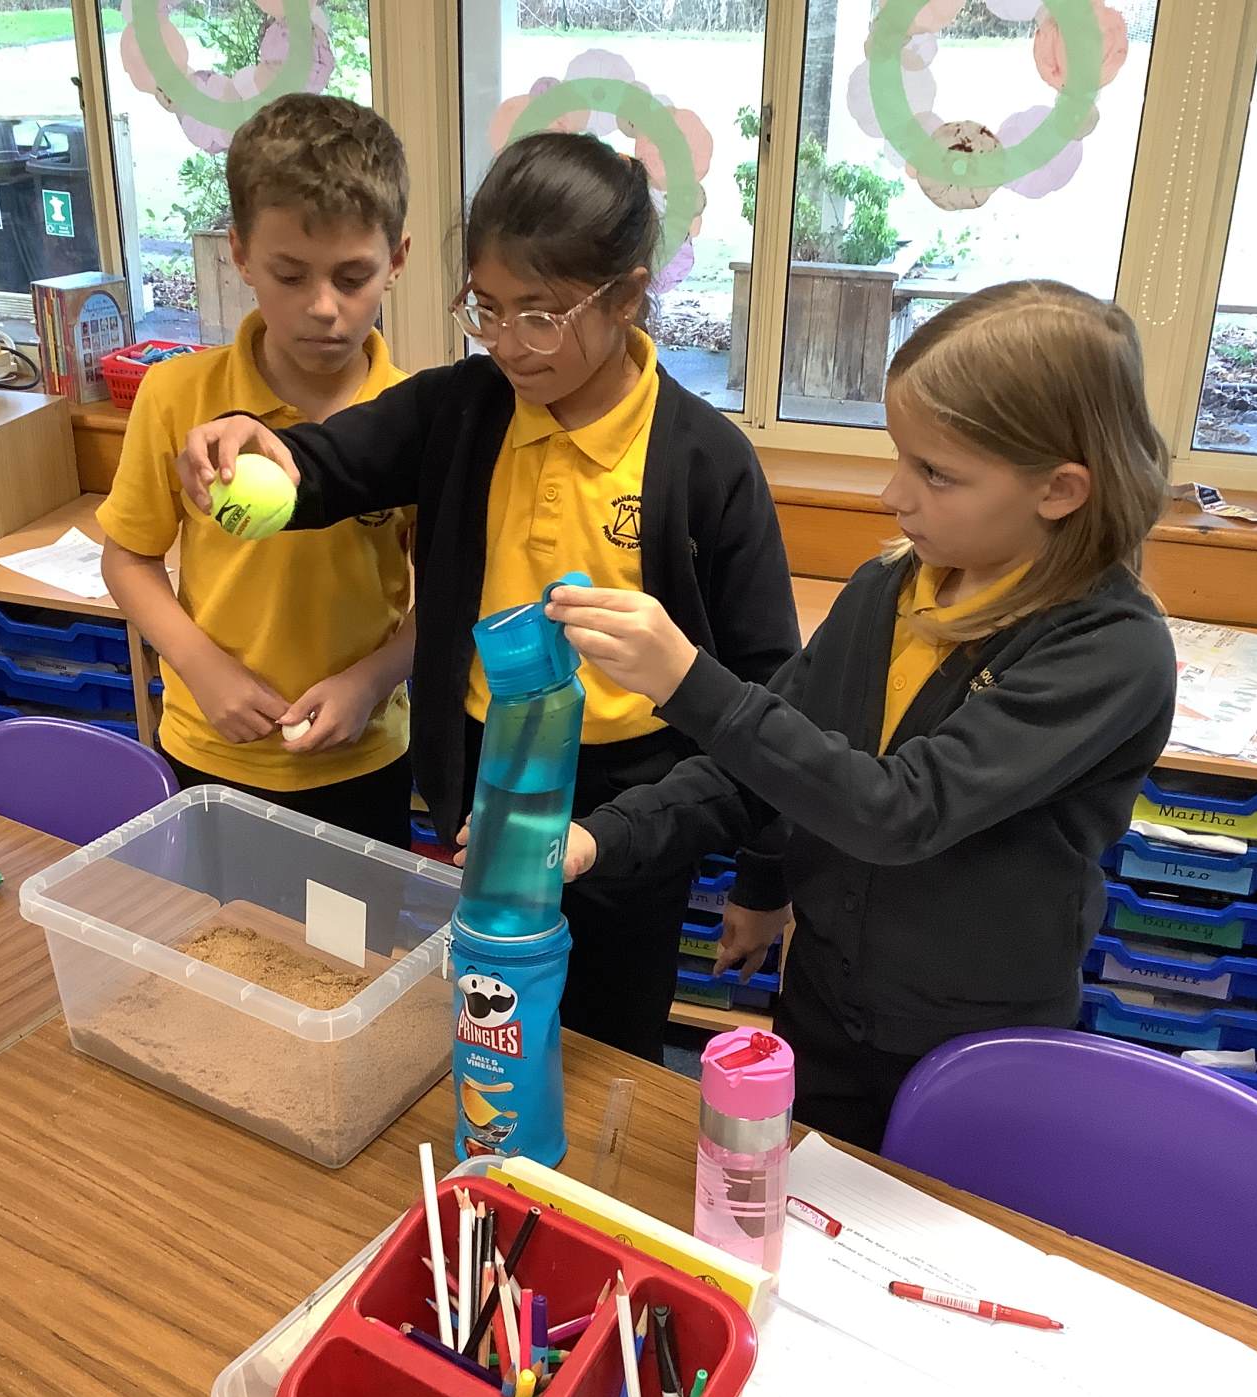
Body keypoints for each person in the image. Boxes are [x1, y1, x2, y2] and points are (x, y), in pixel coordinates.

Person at [175, 131, 799, 1062]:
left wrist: (767, 875)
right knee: (492, 1017)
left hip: (633, 803)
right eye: (487, 309)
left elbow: (768, 688)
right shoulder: (464, 406)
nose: (507, 344)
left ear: (627, 296)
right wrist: (255, 442)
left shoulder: (706, 461)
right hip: (486, 780)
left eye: (539, 316)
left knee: (609, 1041)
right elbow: (335, 462)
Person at [547, 280, 1178, 1147]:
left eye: (935, 473)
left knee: (936, 1223)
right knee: (800, 1201)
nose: (893, 494)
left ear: (1060, 490)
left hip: (974, 1047)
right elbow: (761, 771)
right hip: (826, 1007)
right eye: (899, 457)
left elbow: (897, 810)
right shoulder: (890, 589)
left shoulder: (1110, 651)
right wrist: (600, 837)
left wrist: (690, 680)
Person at [99, 94, 418, 849]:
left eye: (353, 276)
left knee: (352, 930)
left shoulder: (415, 419)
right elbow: (128, 558)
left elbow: (447, 594)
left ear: (397, 260)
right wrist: (201, 667)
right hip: (211, 747)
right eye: (289, 275)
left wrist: (372, 680)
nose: (323, 308)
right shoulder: (177, 394)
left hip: (363, 753)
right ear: (239, 255)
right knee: (214, 923)